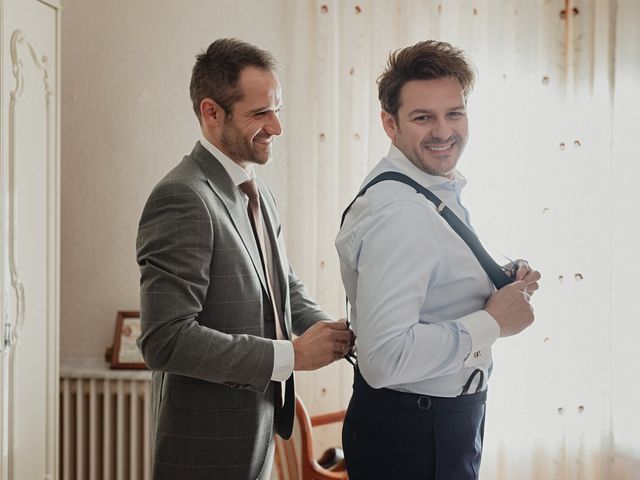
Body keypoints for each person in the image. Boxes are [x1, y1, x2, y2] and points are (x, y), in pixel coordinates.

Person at [136, 38, 352, 480]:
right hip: (205, 452)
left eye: (278, 110)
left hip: (258, 438)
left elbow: (283, 289)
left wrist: (342, 333)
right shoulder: (182, 197)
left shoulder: (258, 191)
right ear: (211, 112)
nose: (276, 126)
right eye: (259, 113)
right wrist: (290, 355)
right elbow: (166, 340)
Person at [335, 40, 541, 479]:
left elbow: (434, 281)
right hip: (417, 437)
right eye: (423, 117)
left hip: (433, 426)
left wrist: (495, 283)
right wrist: (493, 323)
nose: (444, 131)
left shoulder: (426, 188)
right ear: (389, 125)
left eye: (454, 113)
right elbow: (384, 357)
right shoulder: (403, 214)